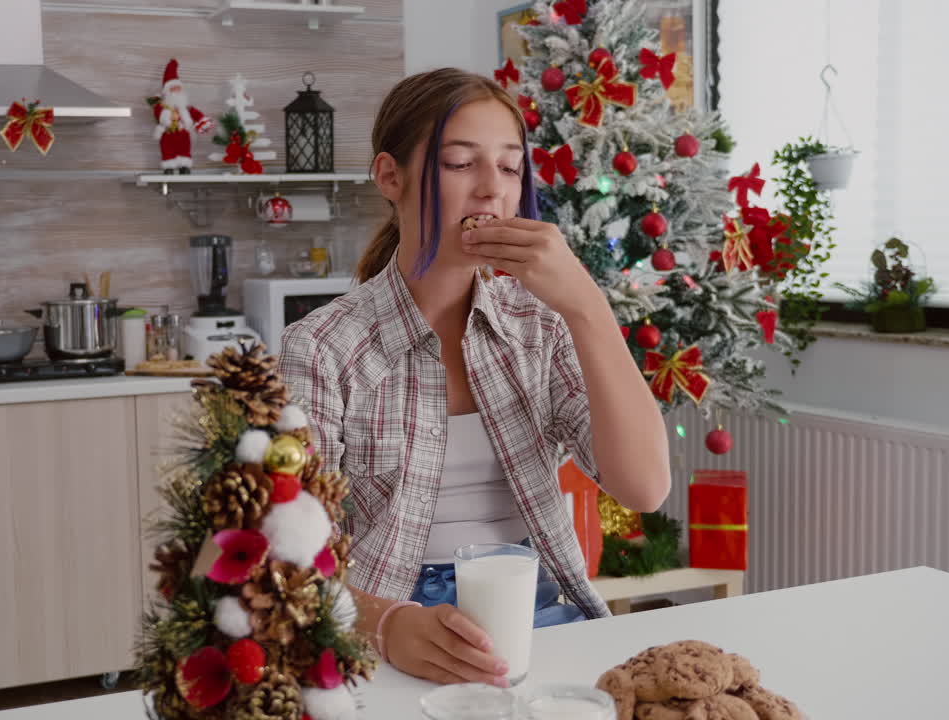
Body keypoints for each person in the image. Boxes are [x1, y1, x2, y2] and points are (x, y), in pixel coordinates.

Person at [278, 68, 671, 688]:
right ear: (390, 176)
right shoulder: (324, 347)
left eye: (511, 168)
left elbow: (645, 488)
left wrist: (589, 308)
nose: (491, 190)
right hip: (385, 616)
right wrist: (385, 626)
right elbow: (287, 561)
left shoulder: (540, 324)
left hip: (535, 605)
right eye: (461, 164)